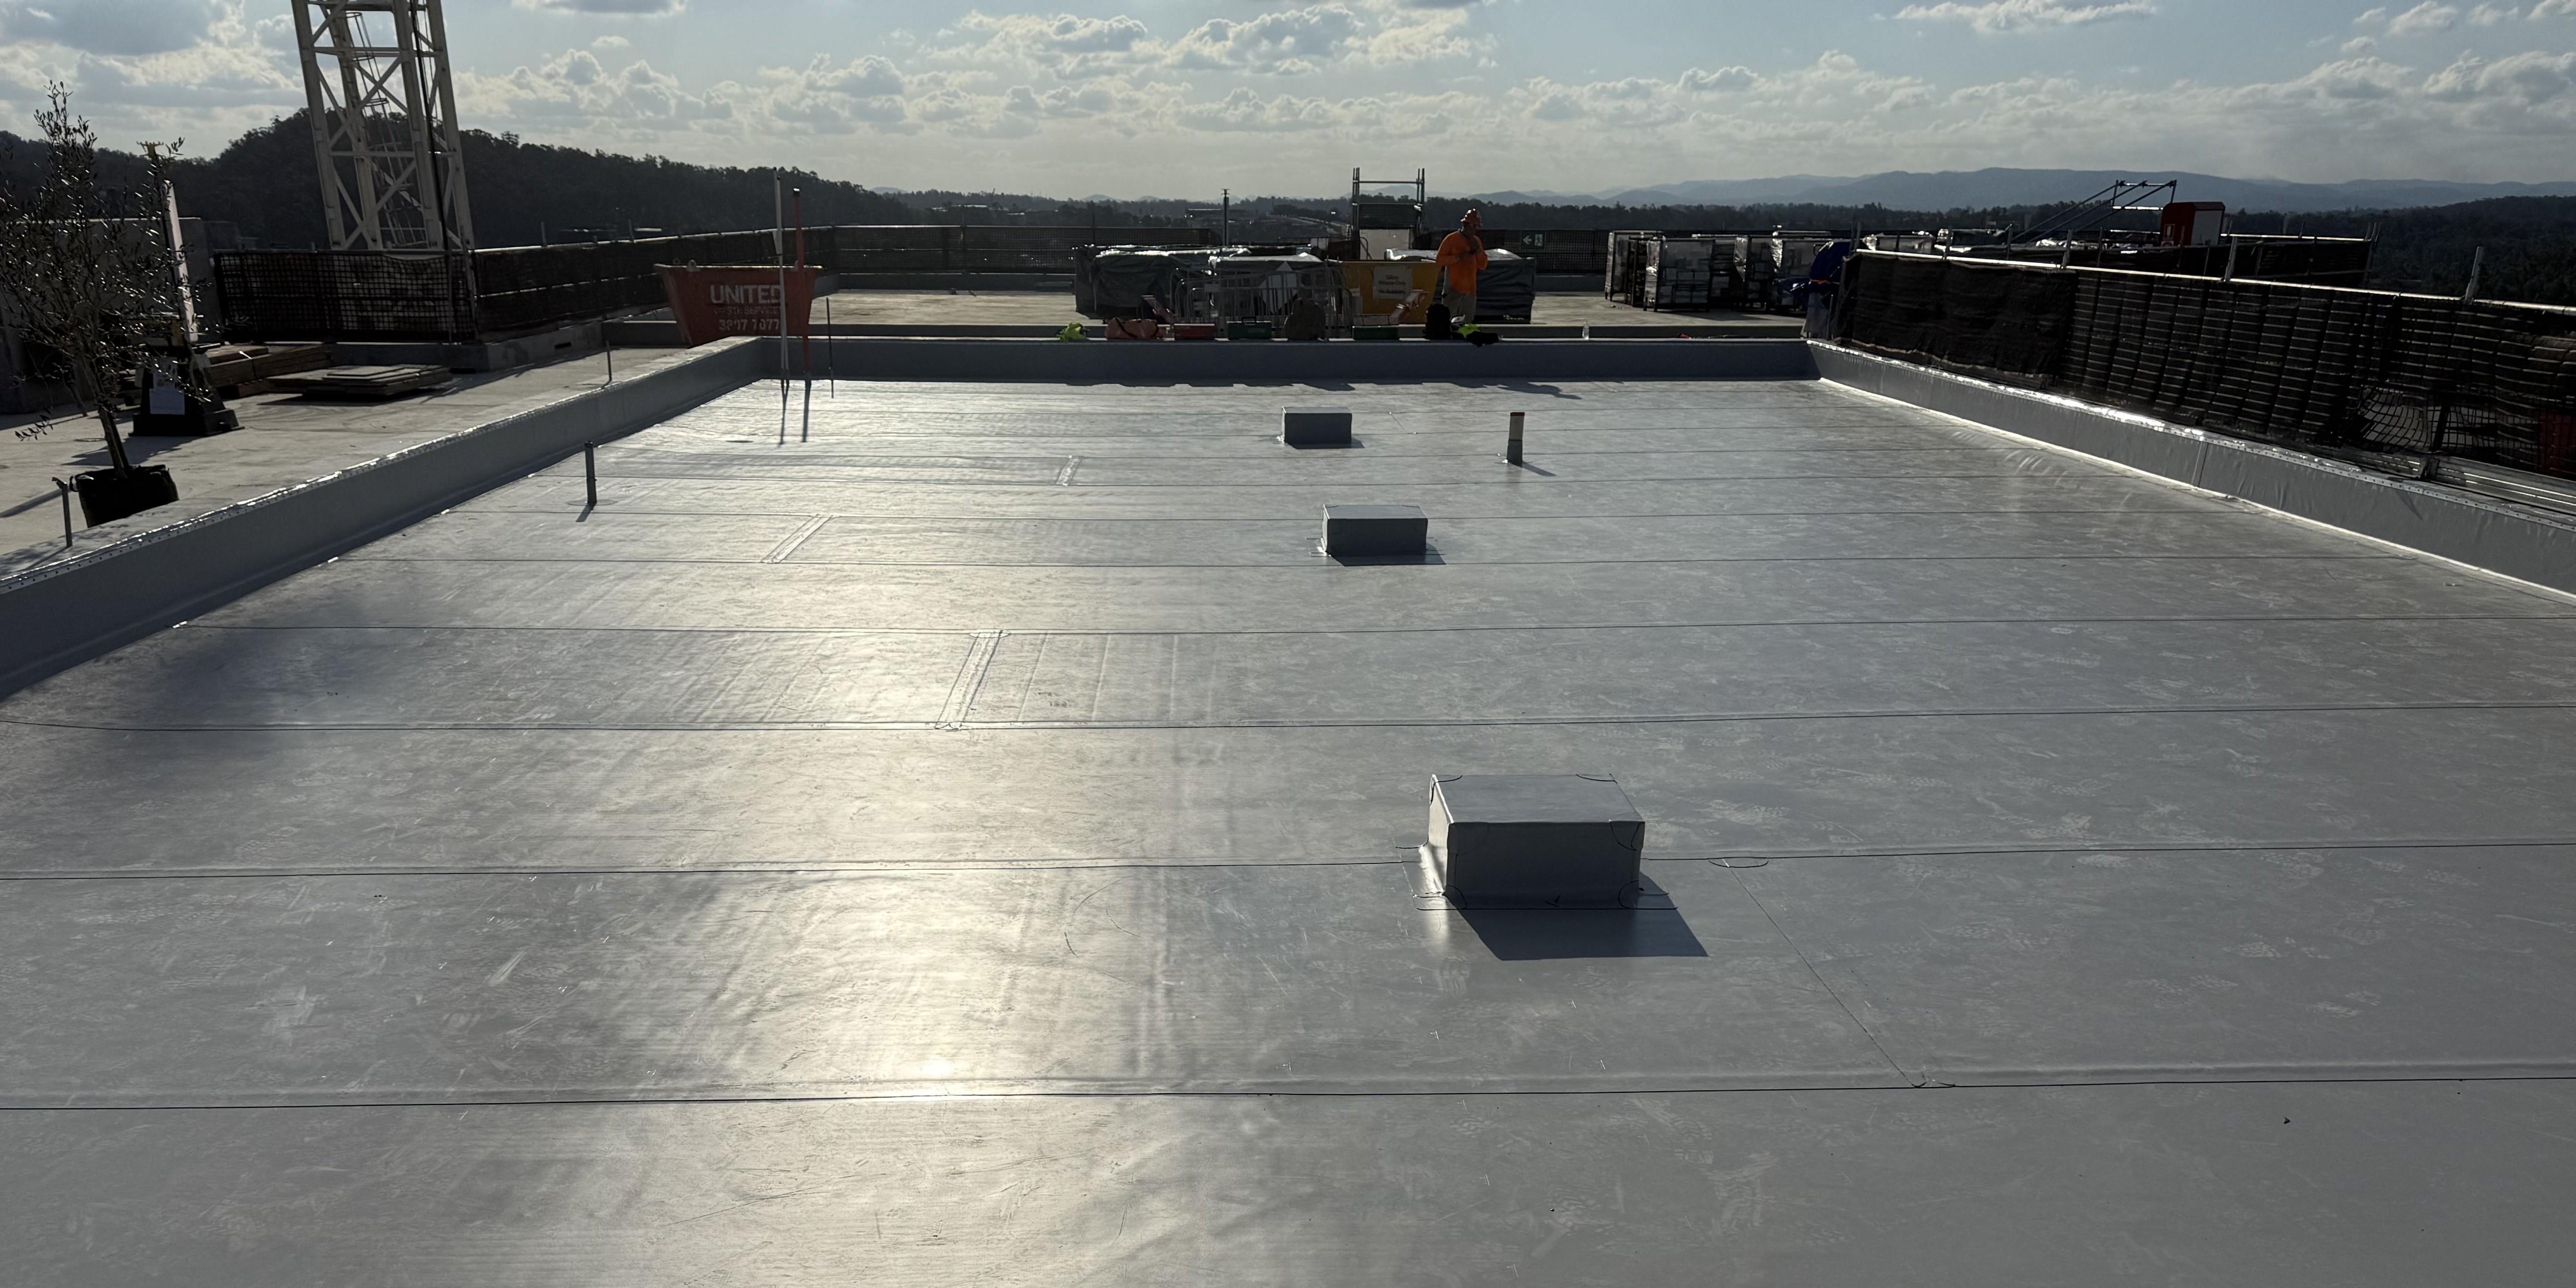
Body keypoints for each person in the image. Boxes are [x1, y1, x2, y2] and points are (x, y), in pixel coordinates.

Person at [1435, 210, 1490, 339]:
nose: (1476, 230)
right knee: (1449, 324)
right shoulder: (1451, 240)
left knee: (1467, 327)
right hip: (1453, 291)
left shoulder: (1477, 241)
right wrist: (1458, 258)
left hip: (1470, 292)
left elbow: (1483, 265)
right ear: (1466, 225)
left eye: (1477, 227)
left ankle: (1465, 346)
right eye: (1474, 226)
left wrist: (1478, 251)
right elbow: (1440, 261)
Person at [1800, 238, 1856, 339]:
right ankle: (1824, 335)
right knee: (1828, 318)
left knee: (1819, 317)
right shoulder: (1844, 249)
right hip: (1830, 288)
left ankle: (1816, 335)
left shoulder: (1830, 248)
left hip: (1821, 286)